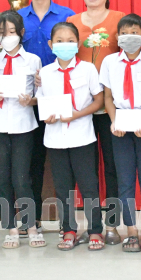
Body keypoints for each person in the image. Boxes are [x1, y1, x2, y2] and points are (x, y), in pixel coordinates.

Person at [67, 0, 125, 245]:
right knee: (85, 170)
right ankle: (92, 226)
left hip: (112, 106)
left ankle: (112, 225)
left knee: (113, 167)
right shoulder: (71, 22)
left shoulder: (119, 19)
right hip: (82, 108)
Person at [100, 14, 141, 253]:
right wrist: (114, 122)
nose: (129, 37)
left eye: (134, 33)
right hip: (120, 126)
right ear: (117, 37)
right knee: (125, 180)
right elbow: (108, 97)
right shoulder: (109, 62)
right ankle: (130, 230)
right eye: (124, 33)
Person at [18, 0, 75, 236]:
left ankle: (69, 224)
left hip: (61, 100)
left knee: (65, 163)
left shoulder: (67, 15)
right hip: (27, 102)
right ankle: (32, 220)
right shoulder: (18, 18)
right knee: (31, 162)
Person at [35, 22, 105, 251]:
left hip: (82, 136)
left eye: (70, 41)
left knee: (89, 186)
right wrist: (47, 116)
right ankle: (68, 230)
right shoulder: (45, 73)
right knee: (63, 188)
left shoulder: (88, 69)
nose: (64, 45)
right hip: (55, 138)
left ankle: (95, 230)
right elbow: (42, 102)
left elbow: (98, 100)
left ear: (77, 44)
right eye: (59, 41)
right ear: (50, 44)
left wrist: (77, 114)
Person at [0, 10, 45, 249]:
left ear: (21, 33)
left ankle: (30, 226)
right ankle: (10, 228)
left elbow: (40, 95)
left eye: (11, 32)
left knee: (22, 178)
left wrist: (31, 100)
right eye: (2, 33)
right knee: (2, 178)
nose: (7, 37)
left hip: (24, 125)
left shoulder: (33, 60)